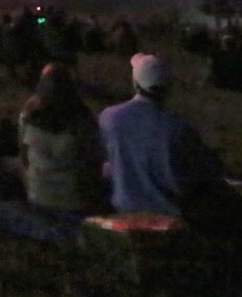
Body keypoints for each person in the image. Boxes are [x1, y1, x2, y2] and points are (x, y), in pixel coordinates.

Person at [98, 53, 231, 223]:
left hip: (124, 209)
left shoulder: (110, 118)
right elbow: (202, 173)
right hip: (167, 216)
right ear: (168, 87)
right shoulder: (178, 128)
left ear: (135, 83)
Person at [18, 62, 106, 213]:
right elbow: (95, 160)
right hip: (74, 198)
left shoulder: (28, 117)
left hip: (38, 196)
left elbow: (24, 157)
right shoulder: (82, 120)